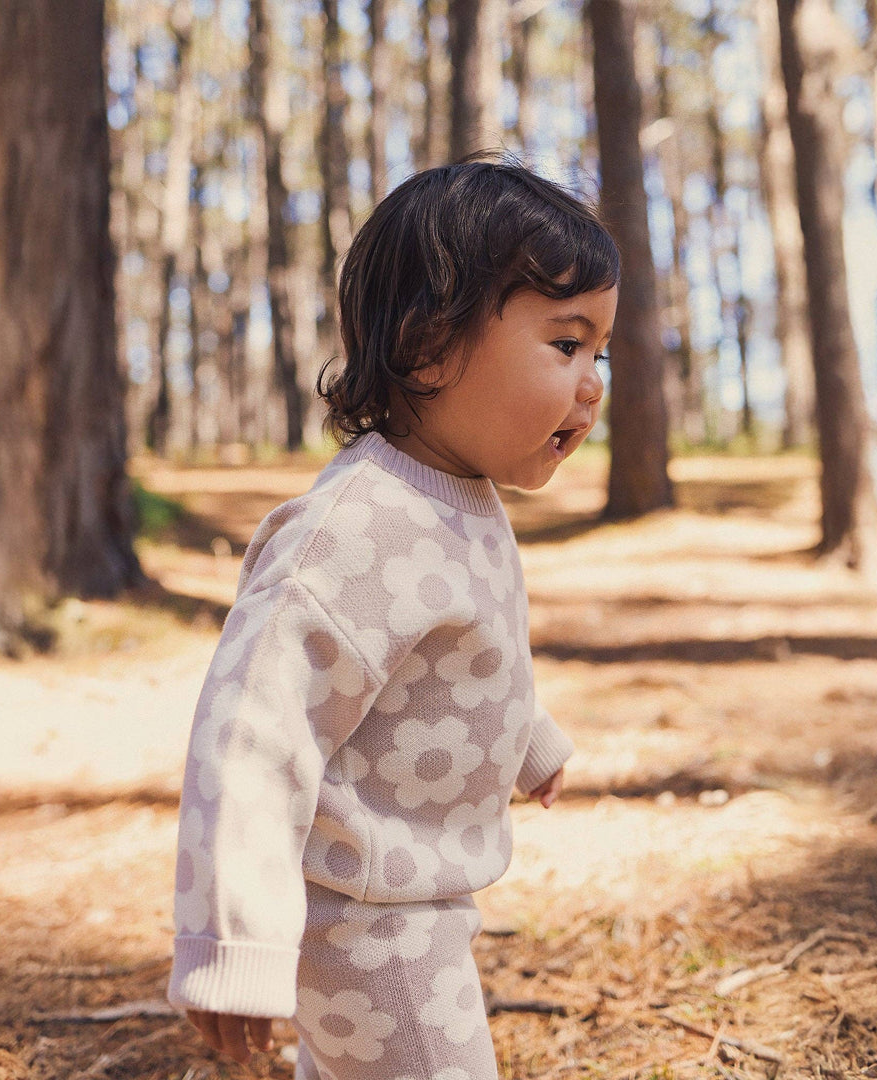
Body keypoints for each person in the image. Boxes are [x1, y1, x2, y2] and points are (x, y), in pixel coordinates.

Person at [167, 157, 620, 1080]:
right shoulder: (356, 531)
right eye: (566, 346)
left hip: (409, 904)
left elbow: (458, 651)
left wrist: (527, 737)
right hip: (367, 922)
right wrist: (232, 943)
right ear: (429, 348)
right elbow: (254, 733)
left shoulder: (456, 499)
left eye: (601, 352)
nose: (593, 384)